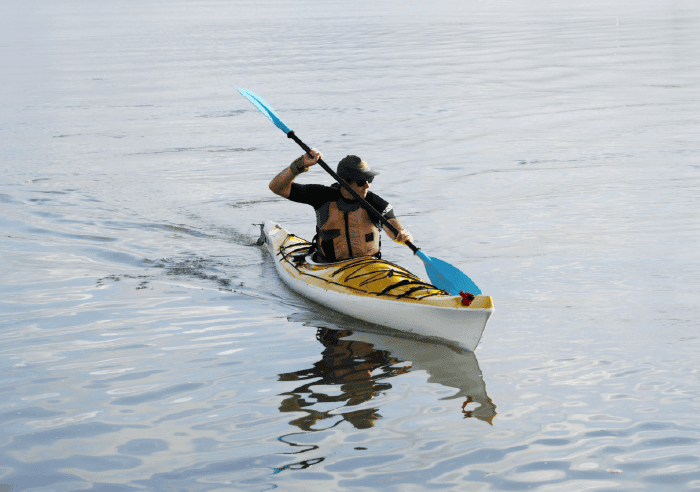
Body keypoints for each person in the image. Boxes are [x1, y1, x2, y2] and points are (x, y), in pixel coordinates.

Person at [269, 148, 413, 263]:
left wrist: (403, 234)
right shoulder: (322, 196)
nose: (367, 185)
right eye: (362, 181)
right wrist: (300, 165)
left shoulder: (375, 202)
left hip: (369, 266)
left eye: (369, 179)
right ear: (345, 182)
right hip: (328, 267)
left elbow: (391, 223)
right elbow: (276, 187)